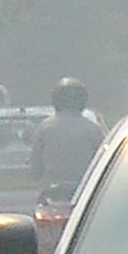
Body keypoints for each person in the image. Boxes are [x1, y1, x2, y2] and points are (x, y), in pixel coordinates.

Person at [32, 78, 108, 211]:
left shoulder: (44, 127)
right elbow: (104, 162)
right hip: (85, 191)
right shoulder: (93, 129)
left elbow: (36, 169)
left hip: (52, 192)